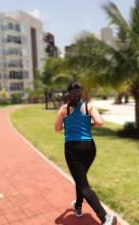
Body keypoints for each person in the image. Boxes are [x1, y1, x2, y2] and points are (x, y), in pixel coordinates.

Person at [54, 82, 117, 225]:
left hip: (72, 149)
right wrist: (87, 124)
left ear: (68, 93)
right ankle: (78, 206)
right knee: (80, 179)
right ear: (81, 92)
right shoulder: (89, 107)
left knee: (83, 185)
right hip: (89, 148)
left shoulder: (64, 109)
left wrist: (68, 125)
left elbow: (57, 129)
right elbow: (100, 122)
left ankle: (105, 218)